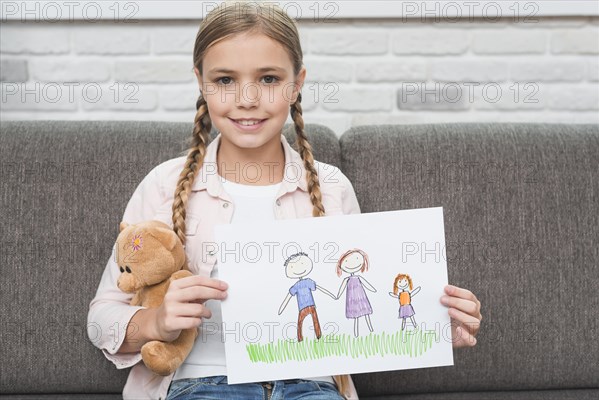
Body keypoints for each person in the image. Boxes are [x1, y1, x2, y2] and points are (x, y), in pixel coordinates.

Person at [87, 2, 483, 400]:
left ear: (297, 84)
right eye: (225, 80)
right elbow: (102, 317)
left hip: (310, 384)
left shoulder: (331, 188)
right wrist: (157, 323)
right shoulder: (164, 184)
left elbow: (359, 310)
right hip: (199, 383)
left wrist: (433, 325)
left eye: (269, 79)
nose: (247, 99)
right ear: (201, 82)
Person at [334, 249, 377, 337]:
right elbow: (341, 289)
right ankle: (356, 334)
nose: (352, 264)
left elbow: (367, 284)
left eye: (357, 259)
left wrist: (373, 289)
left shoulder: (358, 278)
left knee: (366, 313)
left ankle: (371, 329)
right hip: (352, 300)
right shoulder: (346, 280)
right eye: (346, 261)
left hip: (361, 298)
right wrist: (337, 296)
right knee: (356, 316)